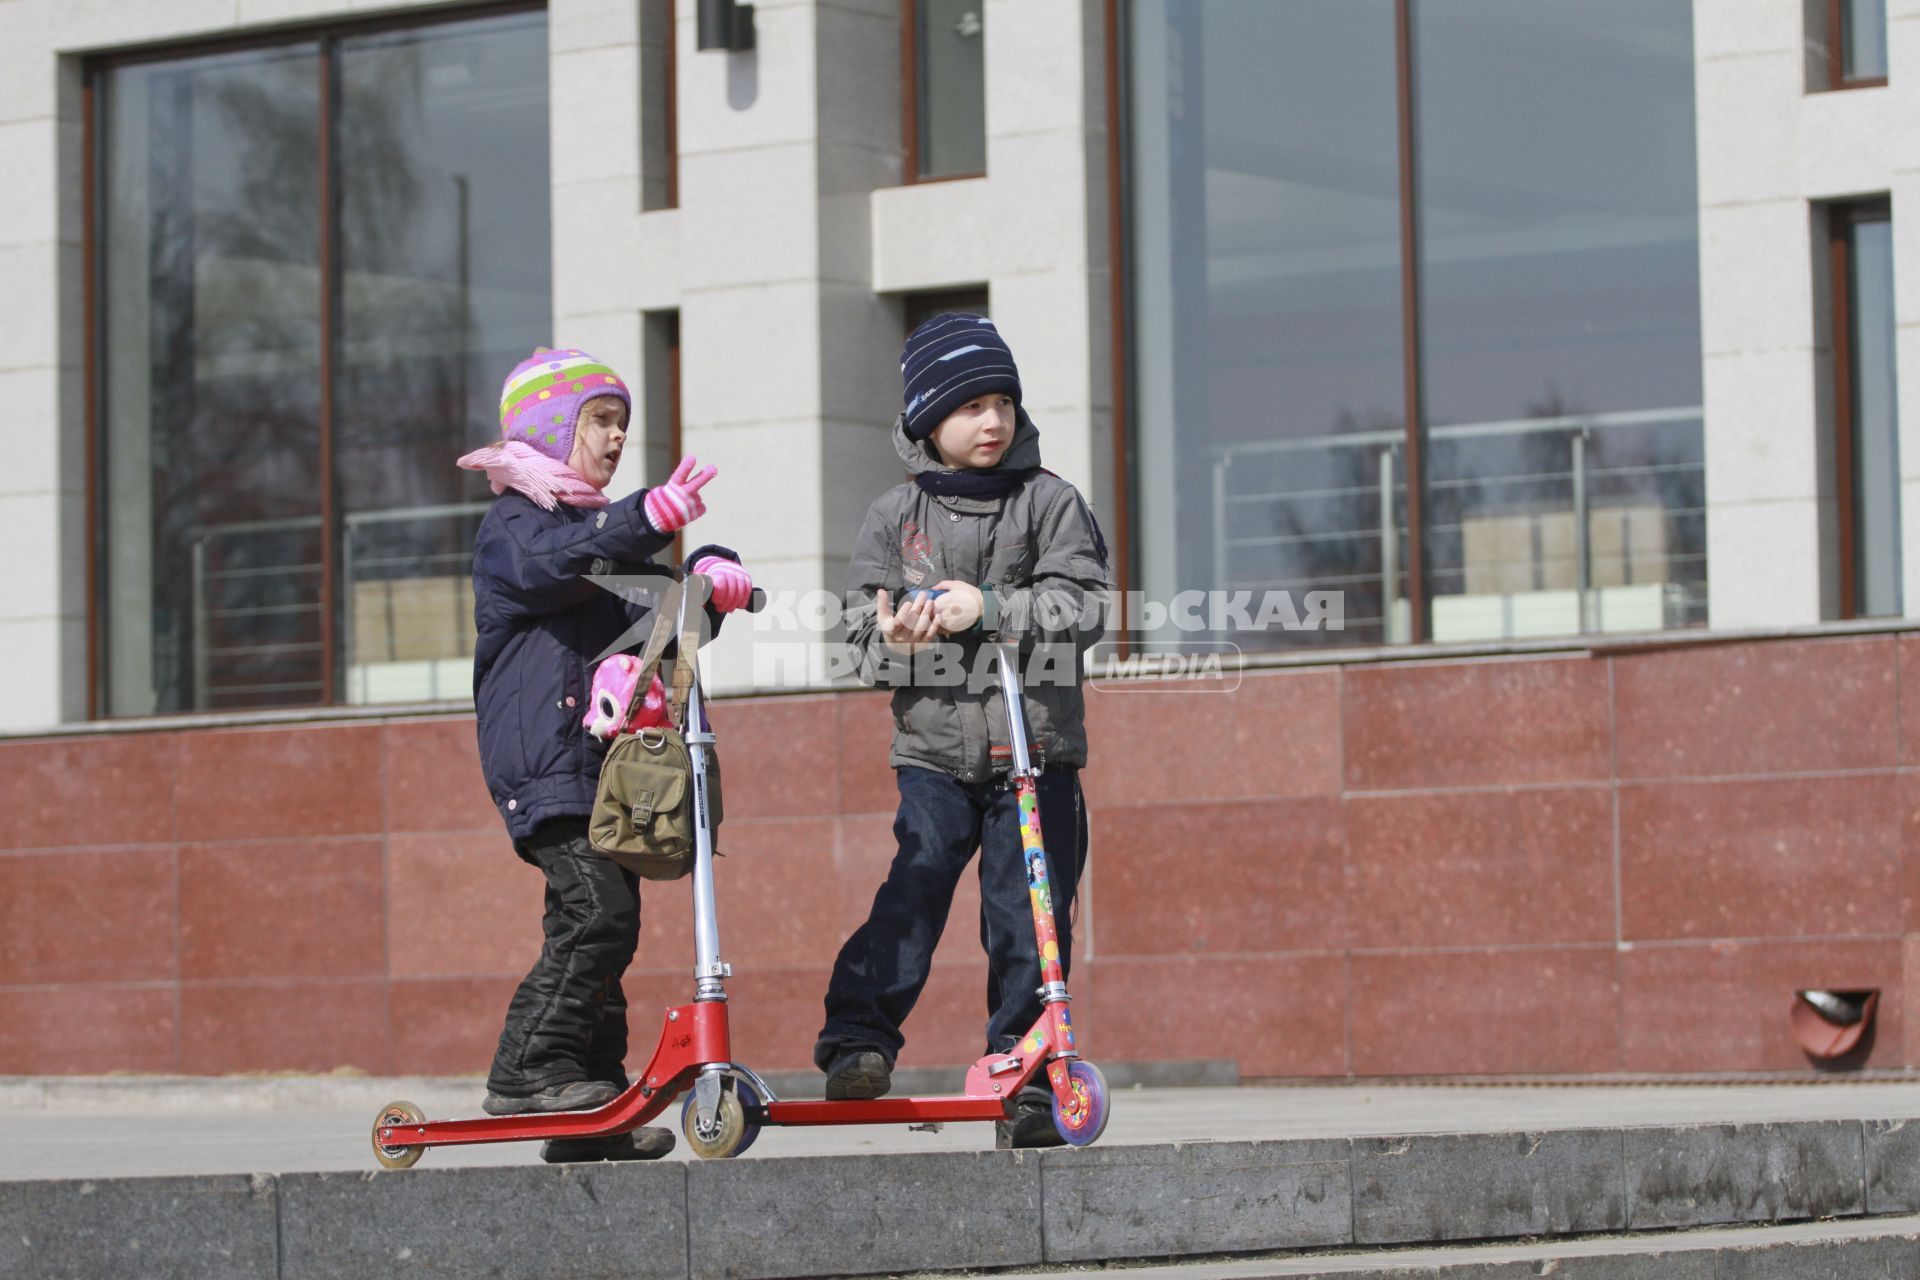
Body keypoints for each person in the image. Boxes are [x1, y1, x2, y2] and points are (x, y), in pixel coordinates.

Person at [814, 314, 1111, 1148]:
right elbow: (860, 640)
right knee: (916, 884)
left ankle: (1025, 1075)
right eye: (970, 406)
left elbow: (1086, 607)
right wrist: (897, 644)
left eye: (1002, 403)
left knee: (1029, 915)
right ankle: (858, 1039)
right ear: (926, 421)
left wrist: (991, 609)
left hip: (1037, 750)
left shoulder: (1050, 501)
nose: (992, 422)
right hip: (936, 755)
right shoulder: (893, 516)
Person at [459, 347, 754, 1162]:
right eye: (600, 420)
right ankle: (528, 1069)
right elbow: (564, 563)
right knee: (599, 913)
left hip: (607, 771)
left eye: (623, 422)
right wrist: (644, 518)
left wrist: (708, 577)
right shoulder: (519, 524)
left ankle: (588, 1101)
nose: (618, 437)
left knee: (599, 926)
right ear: (553, 427)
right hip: (546, 761)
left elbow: (656, 617)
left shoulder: (598, 530)